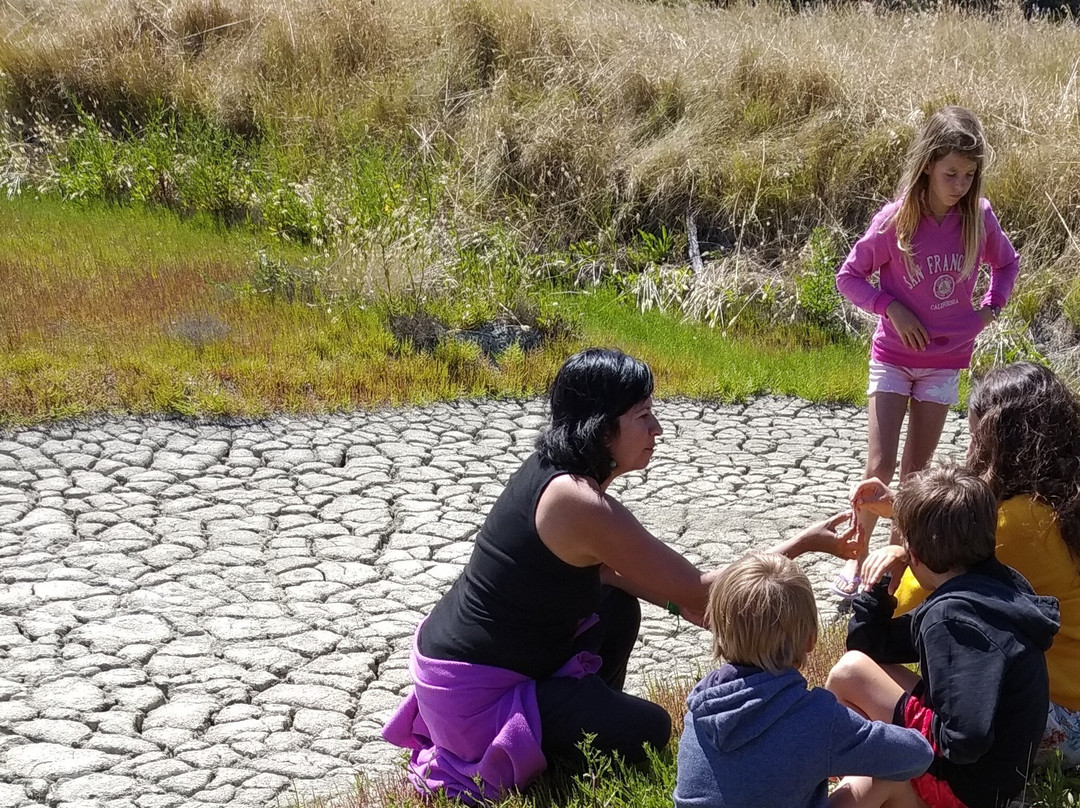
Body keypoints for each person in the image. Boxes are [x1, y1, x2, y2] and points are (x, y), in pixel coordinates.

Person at [382, 347, 860, 802]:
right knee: (651, 730)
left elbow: (617, 577)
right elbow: (701, 588)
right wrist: (801, 544)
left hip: (471, 664)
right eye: (642, 416)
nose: (657, 428)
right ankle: (578, 737)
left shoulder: (557, 472)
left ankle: (586, 718)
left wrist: (686, 606)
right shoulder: (577, 503)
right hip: (476, 696)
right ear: (602, 429)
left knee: (615, 609)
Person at [832, 105, 1020, 598]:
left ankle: (893, 570)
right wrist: (889, 306)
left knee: (915, 478)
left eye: (969, 175)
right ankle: (856, 560)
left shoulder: (978, 218)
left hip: (944, 365)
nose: (959, 184)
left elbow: (1007, 264)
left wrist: (989, 310)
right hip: (893, 357)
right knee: (878, 467)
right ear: (927, 166)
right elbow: (848, 277)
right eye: (950, 173)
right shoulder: (896, 220)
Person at [856, 362, 1080, 769]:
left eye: (975, 437)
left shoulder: (1013, 525)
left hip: (1054, 720)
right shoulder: (1060, 508)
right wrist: (903, 509)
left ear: (998, 445)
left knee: (856, 671)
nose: (969, 450)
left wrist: (905, 551)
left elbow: (914, 611)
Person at [828, 465, 1060, 808]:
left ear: (917, 554)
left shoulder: (951, 618)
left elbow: (967, 739)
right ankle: (874, 774)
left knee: (850, 673)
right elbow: (871, 646)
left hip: (970, 789)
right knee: (861, 670)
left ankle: (866, 777)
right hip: (992, 779)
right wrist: (879, 586)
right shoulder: (990, 587)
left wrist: (899, 742)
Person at [673, 552, 933, 808]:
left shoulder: (700, 707)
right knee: (888, 779)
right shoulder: (815, 717)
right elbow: (918, 756)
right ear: (810, 639)